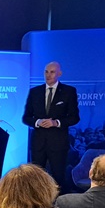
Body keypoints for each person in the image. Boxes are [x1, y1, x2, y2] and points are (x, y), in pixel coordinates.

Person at [22, 61, 80, 192]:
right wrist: (38, 122)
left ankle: (59, 202)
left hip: (58, 143)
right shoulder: (35, 92)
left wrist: (56, 123)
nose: (48, 75)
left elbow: (74, 117)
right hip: (38, 143)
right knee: (36, 177)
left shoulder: (68, 92)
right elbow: (26, 117)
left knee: (58, 177)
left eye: (52, 72)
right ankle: (36, 202)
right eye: (46, 72)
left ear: (60, 73)